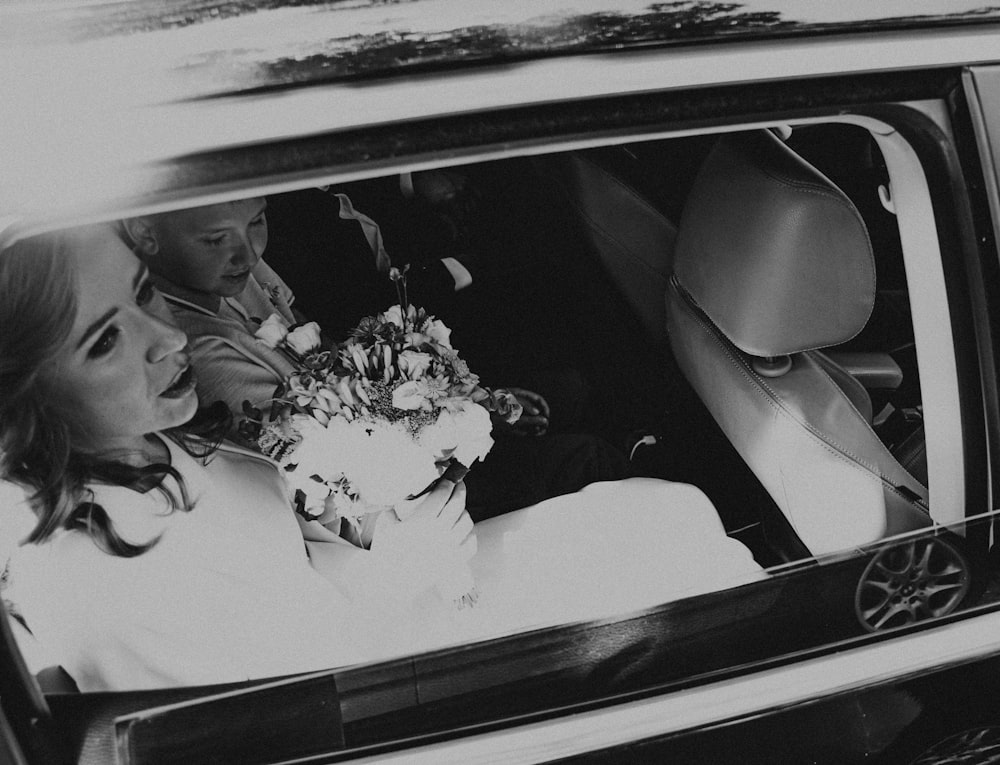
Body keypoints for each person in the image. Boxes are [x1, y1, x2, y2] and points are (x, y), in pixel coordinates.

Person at [1, 224, 763, 692]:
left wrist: (379, 525)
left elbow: (285, 551)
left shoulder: (140, 442)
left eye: (145, 296)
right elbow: (288, 700)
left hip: (376, 615)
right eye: (104, 340)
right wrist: (402, 563)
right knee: (676, 557)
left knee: (673, 509)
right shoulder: (97, 564)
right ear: (28, 400)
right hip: (388, 690)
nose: (164, 339)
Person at [121, 197, 630, 520]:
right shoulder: (200, 356)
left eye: (257, 221)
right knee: (583, 458)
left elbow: (325, 356)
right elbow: (334, 480)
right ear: (146, 232)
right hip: (379, 504)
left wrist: (468, 400)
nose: (248, 253)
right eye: (216, 239)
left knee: (569, 390)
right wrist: (465, 427)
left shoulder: (226, 274)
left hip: (388, 442)